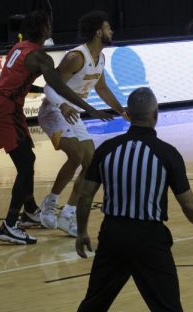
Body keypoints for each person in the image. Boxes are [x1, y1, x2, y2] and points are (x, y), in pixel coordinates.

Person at [75, 87, 193, 312]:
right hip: (149, 238)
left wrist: (82, 231)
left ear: (127, 113)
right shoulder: (167, 153)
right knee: (167, 307)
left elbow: (84, 196)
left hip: (112, 235)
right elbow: (187, 202)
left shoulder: (107, 149)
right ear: (155, 115)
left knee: (94, 304)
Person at [0, 11, 101, 245]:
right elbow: (60, 88)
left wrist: (37, 91)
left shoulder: (19, 47)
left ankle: (29, 211)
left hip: (7, 106)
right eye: (49, 25)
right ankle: (9, 224)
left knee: (28, 157)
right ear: (44, 28)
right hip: (5, 110)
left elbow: (18, 80)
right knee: (26, 165)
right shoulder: (40, 56)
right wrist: (89, 108)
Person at [38, 12, 124, 237]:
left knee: (90, 161)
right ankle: (50, 203)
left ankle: (68, 214)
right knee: (76, 155)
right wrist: (63, 105)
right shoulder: (76, 57)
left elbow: (102, 89)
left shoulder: (101, 58)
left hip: (73, 113)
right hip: (54, 111)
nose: (111, 31)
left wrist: (122, 111)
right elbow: (50, 86)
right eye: (108, 28)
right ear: (98, 32)